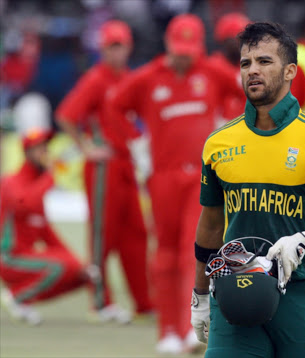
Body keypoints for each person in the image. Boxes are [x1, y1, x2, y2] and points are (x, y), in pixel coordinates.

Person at [190, 22, 305, 358]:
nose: (252, 71)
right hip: (235, 290)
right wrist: (201, 293)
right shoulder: (218, 143)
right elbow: (212, 224)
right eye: (246, 64)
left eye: (264, 61)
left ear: (290, 71)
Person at [110, 14, 242, 354]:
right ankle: (166, 328)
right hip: (163, 177)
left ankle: (190, 325)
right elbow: (114, 106)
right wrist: (135, 141)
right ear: (168, 44)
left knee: (192, 250)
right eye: (179, 49)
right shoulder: (148, 78)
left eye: (190, 49)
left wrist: (229, 127)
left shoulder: (211, 71)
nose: (184, 56)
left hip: (202, 177)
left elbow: (245, 93)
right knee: (165, 253)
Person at [55, 20, 152, 323]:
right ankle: (99, 302)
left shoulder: (130, 78)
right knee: (102, 236)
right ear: (102, 49)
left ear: (128, 46)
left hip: (126, 166)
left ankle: (143, 302)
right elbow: (66, 116)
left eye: (120, 45)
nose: (117, 52)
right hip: (103, 168)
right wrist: (87, 148)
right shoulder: (96, 80)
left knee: (135, 234)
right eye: (111, 46)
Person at [0, 129, 94, 325]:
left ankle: (22, 298)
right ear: (27, 153)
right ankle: (18, 296)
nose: (44, 153)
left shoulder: (37, 184)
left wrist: (78, 263)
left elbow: (47, 232)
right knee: (59, 267)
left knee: (80, 272)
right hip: (8, 258)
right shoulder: (11, 181)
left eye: (46, 148)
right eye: (38, 149)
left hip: (26, 256)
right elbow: (23, 205)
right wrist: (51, 176)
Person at [209, 12, 250, 123]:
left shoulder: (248, 63)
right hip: (222, 126)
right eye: (239, 39)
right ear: (225, 40)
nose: (244, 43)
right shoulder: (214, 66)